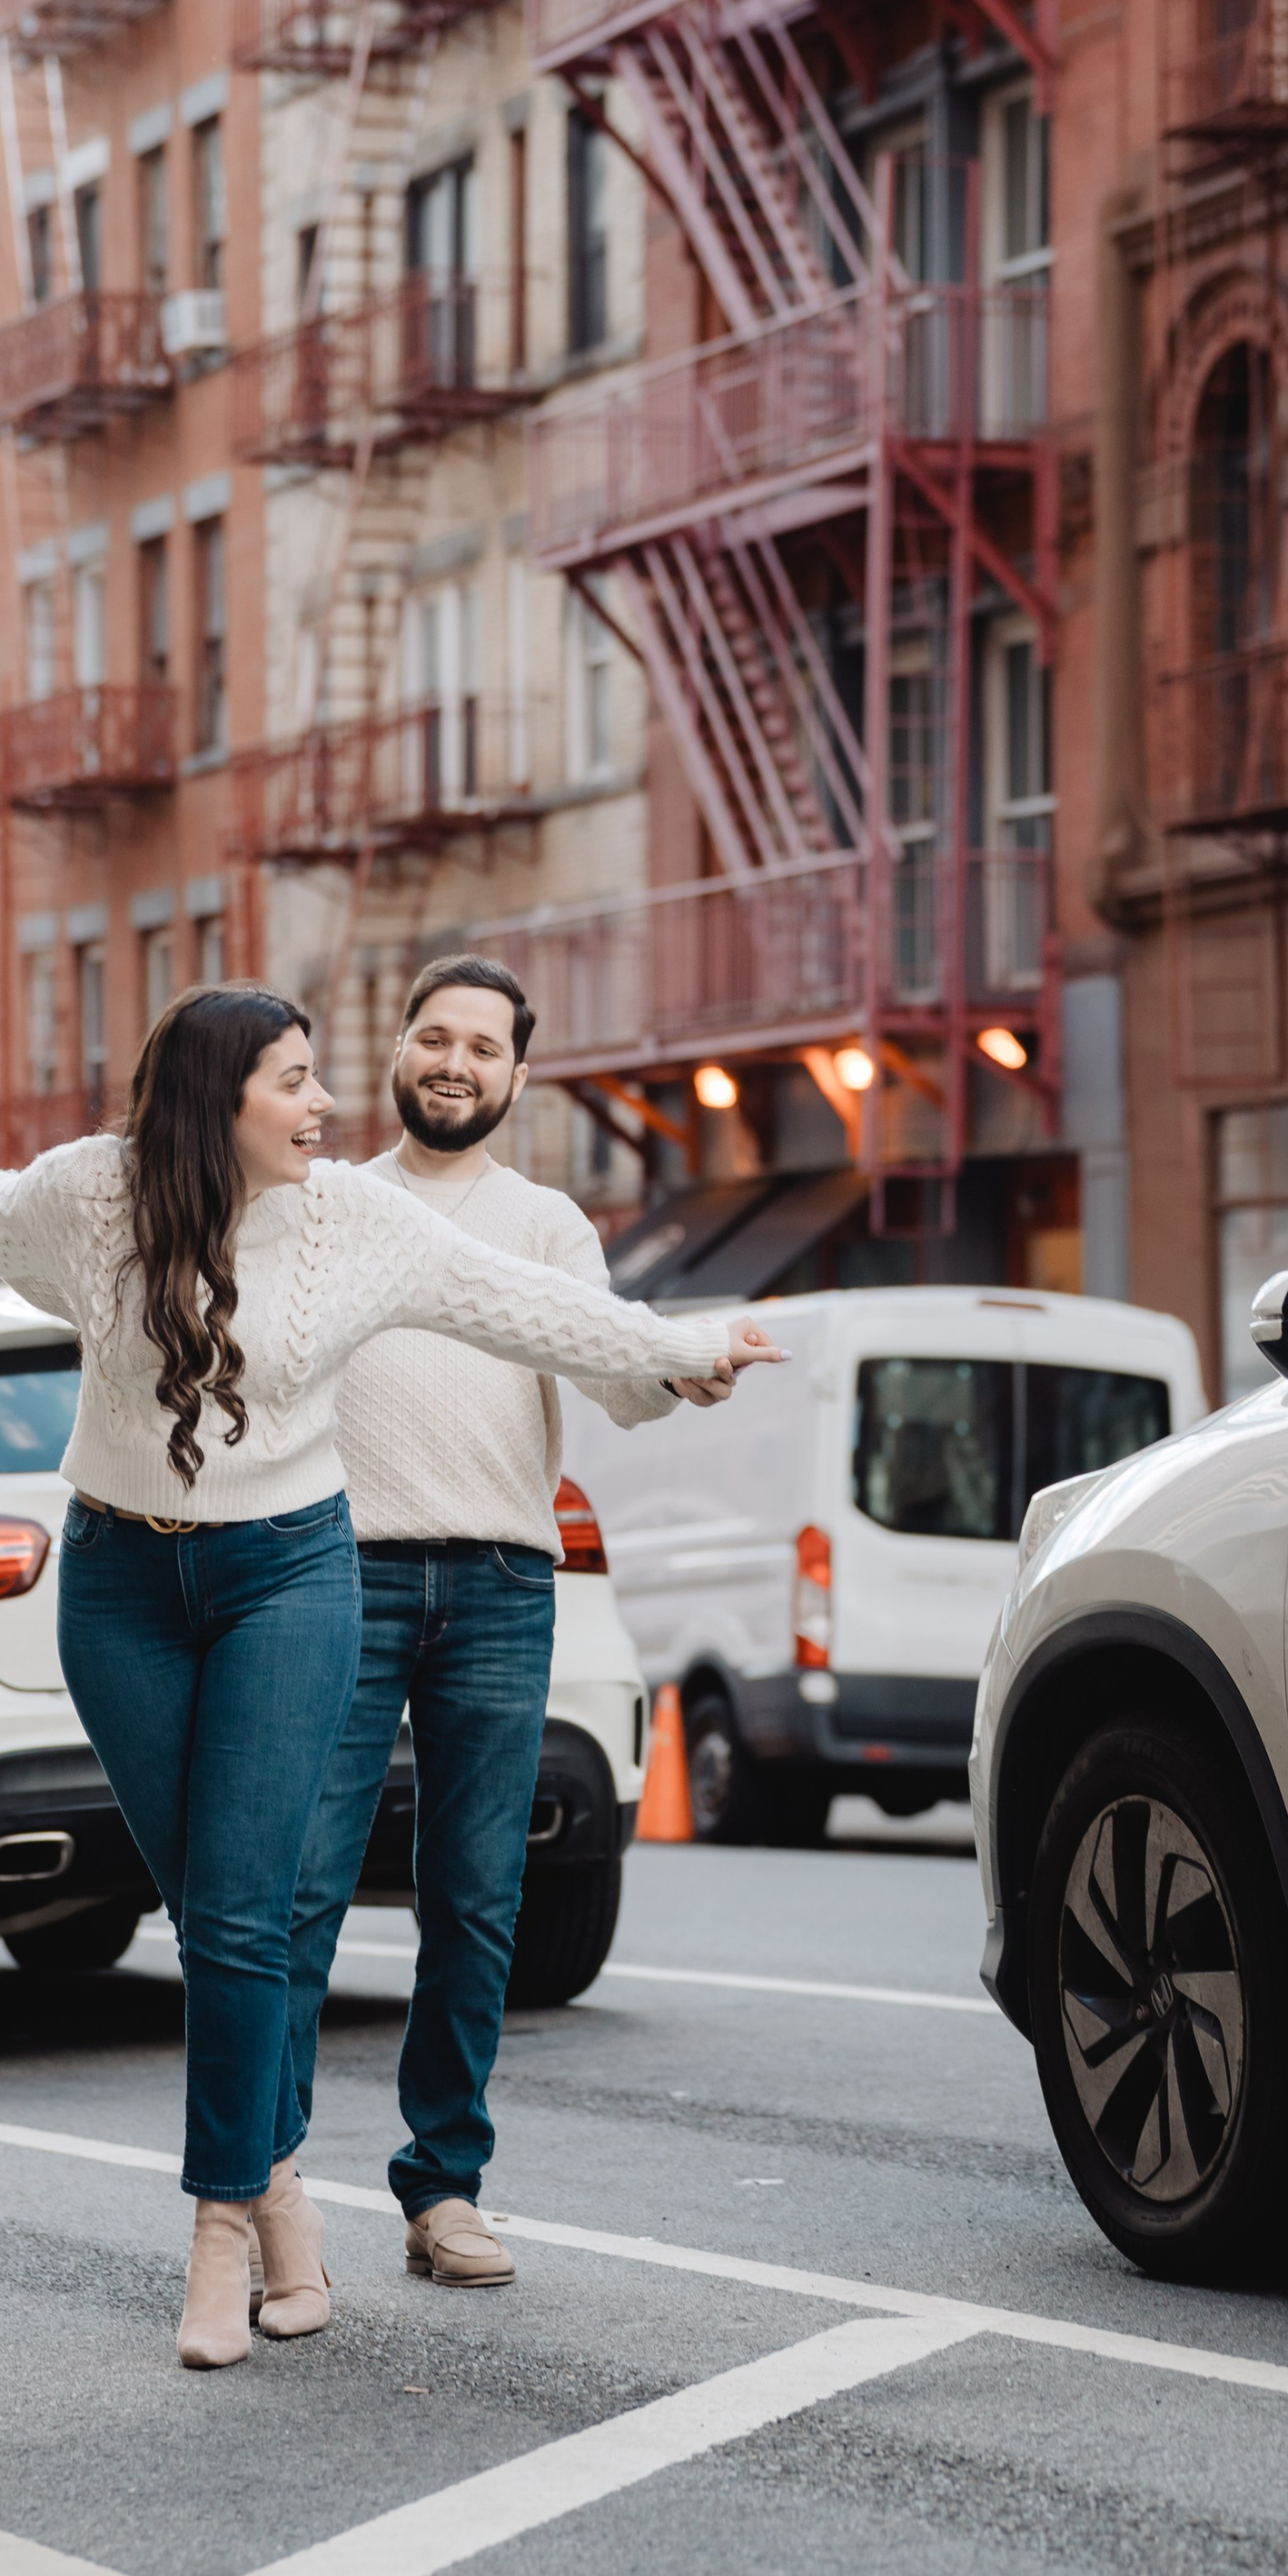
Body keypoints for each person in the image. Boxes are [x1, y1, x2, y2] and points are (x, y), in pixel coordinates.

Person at [0, 984, 756, 2372]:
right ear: (216, 1096)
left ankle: (219, 2233)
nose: (323, 1106)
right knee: (216, 1909)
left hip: (288, 1571)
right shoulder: (94, 1196)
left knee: (241, 1917)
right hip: (116, 1583)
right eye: (294, 1080)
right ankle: (280, 2185)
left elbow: (530, 1304)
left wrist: (683, 1351)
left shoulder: (354, 1223)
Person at [284, 956, 782, 2288]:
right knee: (301, 1890)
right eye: (432, 1035)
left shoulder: (548, 1225)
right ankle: (264, 2190)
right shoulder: (324, 1205)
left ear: (517, 1074)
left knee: (476, 1900)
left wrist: (693, 1373)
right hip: (342, 1573)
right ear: (395, 1050)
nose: (454, 1062)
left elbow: (616, 1372)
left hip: (502, 1586)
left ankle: (443, 2188)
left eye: (482, 1047)